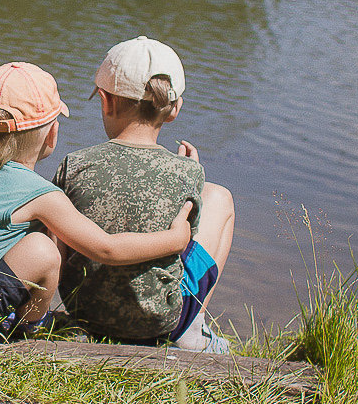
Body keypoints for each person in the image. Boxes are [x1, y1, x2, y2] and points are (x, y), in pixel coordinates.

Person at [0, 61, 195, 343]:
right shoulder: (41, 195)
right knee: (44, 251)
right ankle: (27, 331)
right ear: (52, 133)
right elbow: (106, 248)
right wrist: (174, 239)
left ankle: (15, 320)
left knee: (37, 239)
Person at [53, 37, 235, 353]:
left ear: (105, 101)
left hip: (85, 315)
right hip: (159, 320)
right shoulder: (187, 171)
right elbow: (185, 243)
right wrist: (188, 177)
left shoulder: (74, 164)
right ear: (174, 109)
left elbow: (59, 249)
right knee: (221, 198)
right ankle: (191, 331)